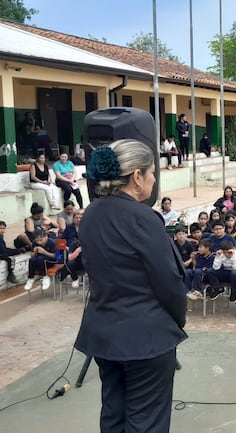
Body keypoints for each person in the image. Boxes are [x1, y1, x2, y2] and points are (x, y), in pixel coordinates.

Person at [75, 140, 187, 433]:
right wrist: (177, 322)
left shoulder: (91, 214)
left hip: (104, 334)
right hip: (146, 337)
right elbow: (169, 283)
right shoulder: (144, 218)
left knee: (114, 414)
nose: (153, 179)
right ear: (137, 177)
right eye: (151, 172)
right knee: (147, 421)